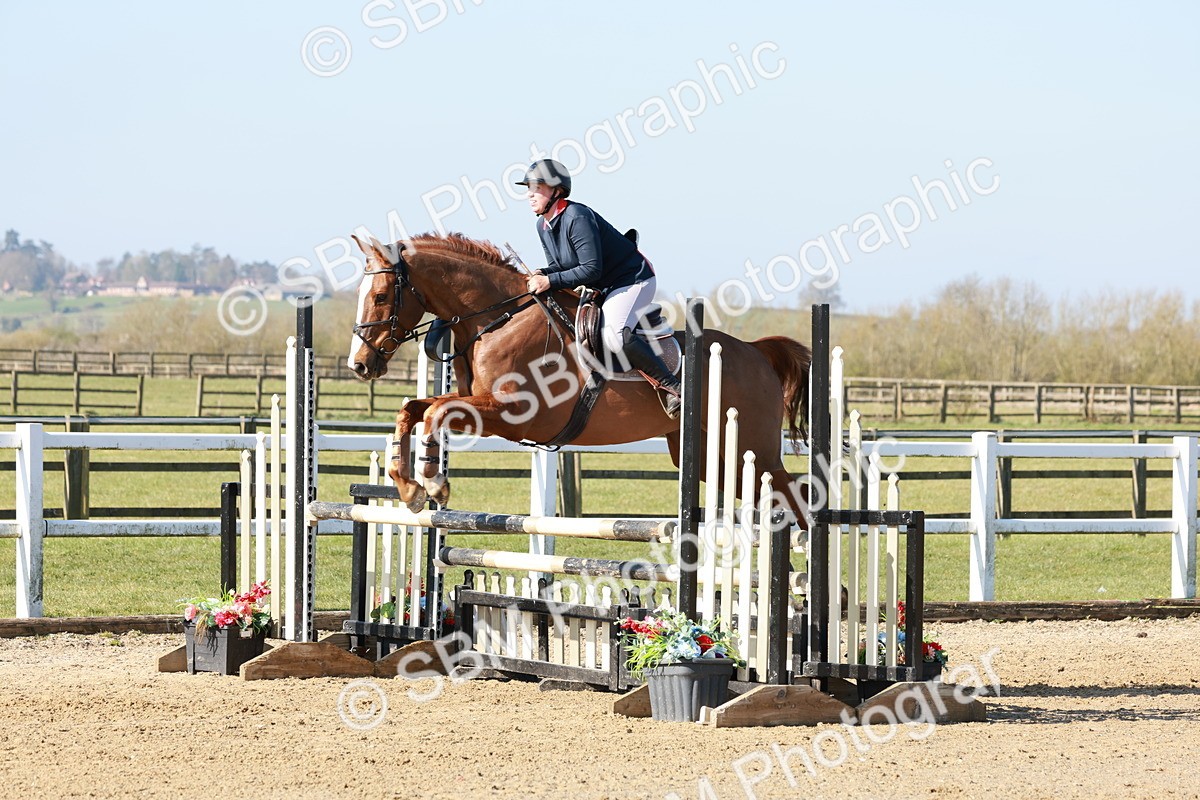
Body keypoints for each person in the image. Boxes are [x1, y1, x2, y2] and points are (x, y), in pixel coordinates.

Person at [516, 159, 682, 419]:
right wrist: (543, 273)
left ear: (556, 191)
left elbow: (590, 269)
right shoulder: (543, 225)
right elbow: (561, 267)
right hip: (605, 285)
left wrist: (550, 280)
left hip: (633, 279)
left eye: (537, 187)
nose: (529, 194)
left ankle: (671, 387)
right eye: (529, 188)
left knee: (614, 334)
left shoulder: (576, 216)